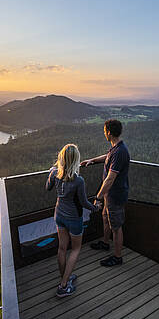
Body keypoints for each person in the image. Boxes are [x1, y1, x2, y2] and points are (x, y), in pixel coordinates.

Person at [46, 143, 96, 297]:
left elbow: (48, 187)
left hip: (59, 215)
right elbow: (83, 202)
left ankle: (65, 279)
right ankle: (63, 286)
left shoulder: (55, 173)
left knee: (62, 249)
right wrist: (96, 207)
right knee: (75, 249)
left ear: (61, 158)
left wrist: (50, 173)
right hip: (74, 219)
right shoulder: (78, 180)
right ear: (75, 160)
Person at [81, 119, 130, 267]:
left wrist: (98, 197)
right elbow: (107, 157)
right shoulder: (116, 148)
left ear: (109, 132)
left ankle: (117, 257)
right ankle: (105, 243)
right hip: (110, 195)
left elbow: (110, 179)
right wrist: (92, 160)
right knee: (105, 218)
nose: (104, 133)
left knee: (116, 226)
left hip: (115, 195)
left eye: (104, 131)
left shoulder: (120, 151)